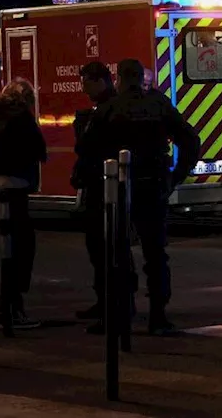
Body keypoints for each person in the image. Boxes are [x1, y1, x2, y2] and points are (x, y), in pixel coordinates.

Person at [78, 59, 200, 335]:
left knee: (117, 253)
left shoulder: (109, 109)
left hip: (120, 189)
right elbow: (190, 140)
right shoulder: (158, 105)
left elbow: (87, 151)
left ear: (119, 79)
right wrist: (175, 177)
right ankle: (158, 315)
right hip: (153, 185)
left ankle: (119, 314)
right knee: (155, 254)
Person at [0, 78, 47, 330]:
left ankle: (8, 309)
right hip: (14, 186)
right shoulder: (22, 117)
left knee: (9, 245)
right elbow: (39, 150)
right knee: (23, 245)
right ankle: (12, 308)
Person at [73, 60, 121, 320]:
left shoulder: (106, 110)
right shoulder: (106, 108)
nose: (84, 90)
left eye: (86, 84)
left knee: (103, 248)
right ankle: (107, 302)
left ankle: (110, 306)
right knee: (103, 248)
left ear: (100, 80)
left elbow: (87, 148)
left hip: (105, 189)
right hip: (106, 187)